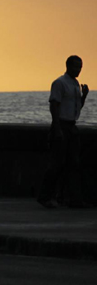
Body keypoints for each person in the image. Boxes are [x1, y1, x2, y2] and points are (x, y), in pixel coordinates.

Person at [38, 55, 90, 208]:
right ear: (68, 66)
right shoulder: (59, 83)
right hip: (61, 125)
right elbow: (54, 105)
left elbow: (75, 108)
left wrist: (84, 96)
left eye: (80, 67)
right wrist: (57, 128)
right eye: (76, 67)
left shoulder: (75, 84)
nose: (78, 70)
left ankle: (73, 199)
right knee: (57, 164)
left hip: (71, 126)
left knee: (74, 164)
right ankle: (45, 196)